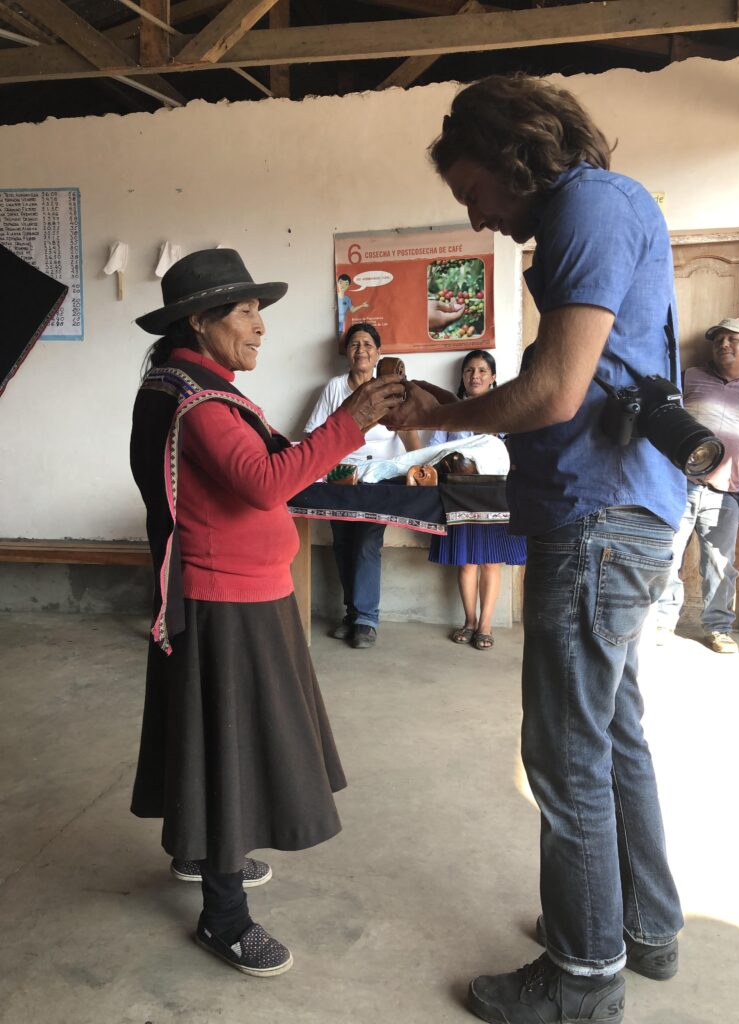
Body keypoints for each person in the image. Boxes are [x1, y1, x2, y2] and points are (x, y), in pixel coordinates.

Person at [385, 75, 687, 1024]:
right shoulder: (605, 206)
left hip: (595, 515)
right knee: (612, 733)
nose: (475, 213)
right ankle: (644, 928)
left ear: (513, 152)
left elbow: (557, 392)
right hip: (617, 512)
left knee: (563, 754)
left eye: (471, 186)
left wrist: (447, 417)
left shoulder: (585, 208)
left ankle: (582, 979)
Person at [129, 249, 404, 977]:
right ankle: (223, 918)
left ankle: (201, 849)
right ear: (202, 321)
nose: (259, 329)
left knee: (213, 741)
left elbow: (270, 465)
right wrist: (349, 422)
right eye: (246, 312)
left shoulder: (194, 383)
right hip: (226, 602)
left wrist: (345, 429)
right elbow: (262, 482)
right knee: (233, 751)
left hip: (242, 591)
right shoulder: (196, 398)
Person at [304, 322, 421, 649]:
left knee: (367, 543)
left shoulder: (394, 391)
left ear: (378, 352)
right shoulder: (334, 388)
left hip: (379, 479)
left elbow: (409, 432)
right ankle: (353, 614)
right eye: (355, 344)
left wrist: (420, 464)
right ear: (347, 353)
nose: (361, 350)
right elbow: (315, 433)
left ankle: (366, 619)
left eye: (368, 344)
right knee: (343, 544)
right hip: (340, 476)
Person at [656, 317, 739, 653]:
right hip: (678, 484)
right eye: (718, 339)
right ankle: (661, 621)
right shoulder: (690, 376)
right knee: (667, 555)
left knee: (720, 563)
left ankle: (718, 628)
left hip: (727, 491)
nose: (724, 344)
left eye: (734, 339)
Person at [426, 350, 526, 650]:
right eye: (470, 370)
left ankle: (485, 624)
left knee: (490, 564)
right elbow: (434, 449)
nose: (475, 376)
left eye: (482, 370)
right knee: (467, 563)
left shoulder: (506, 411)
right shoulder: (450, 412)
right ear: (463, 377)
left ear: (493, 377)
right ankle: (469, 621)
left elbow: (514, 450)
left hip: (496, 496)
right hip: (459, 496)